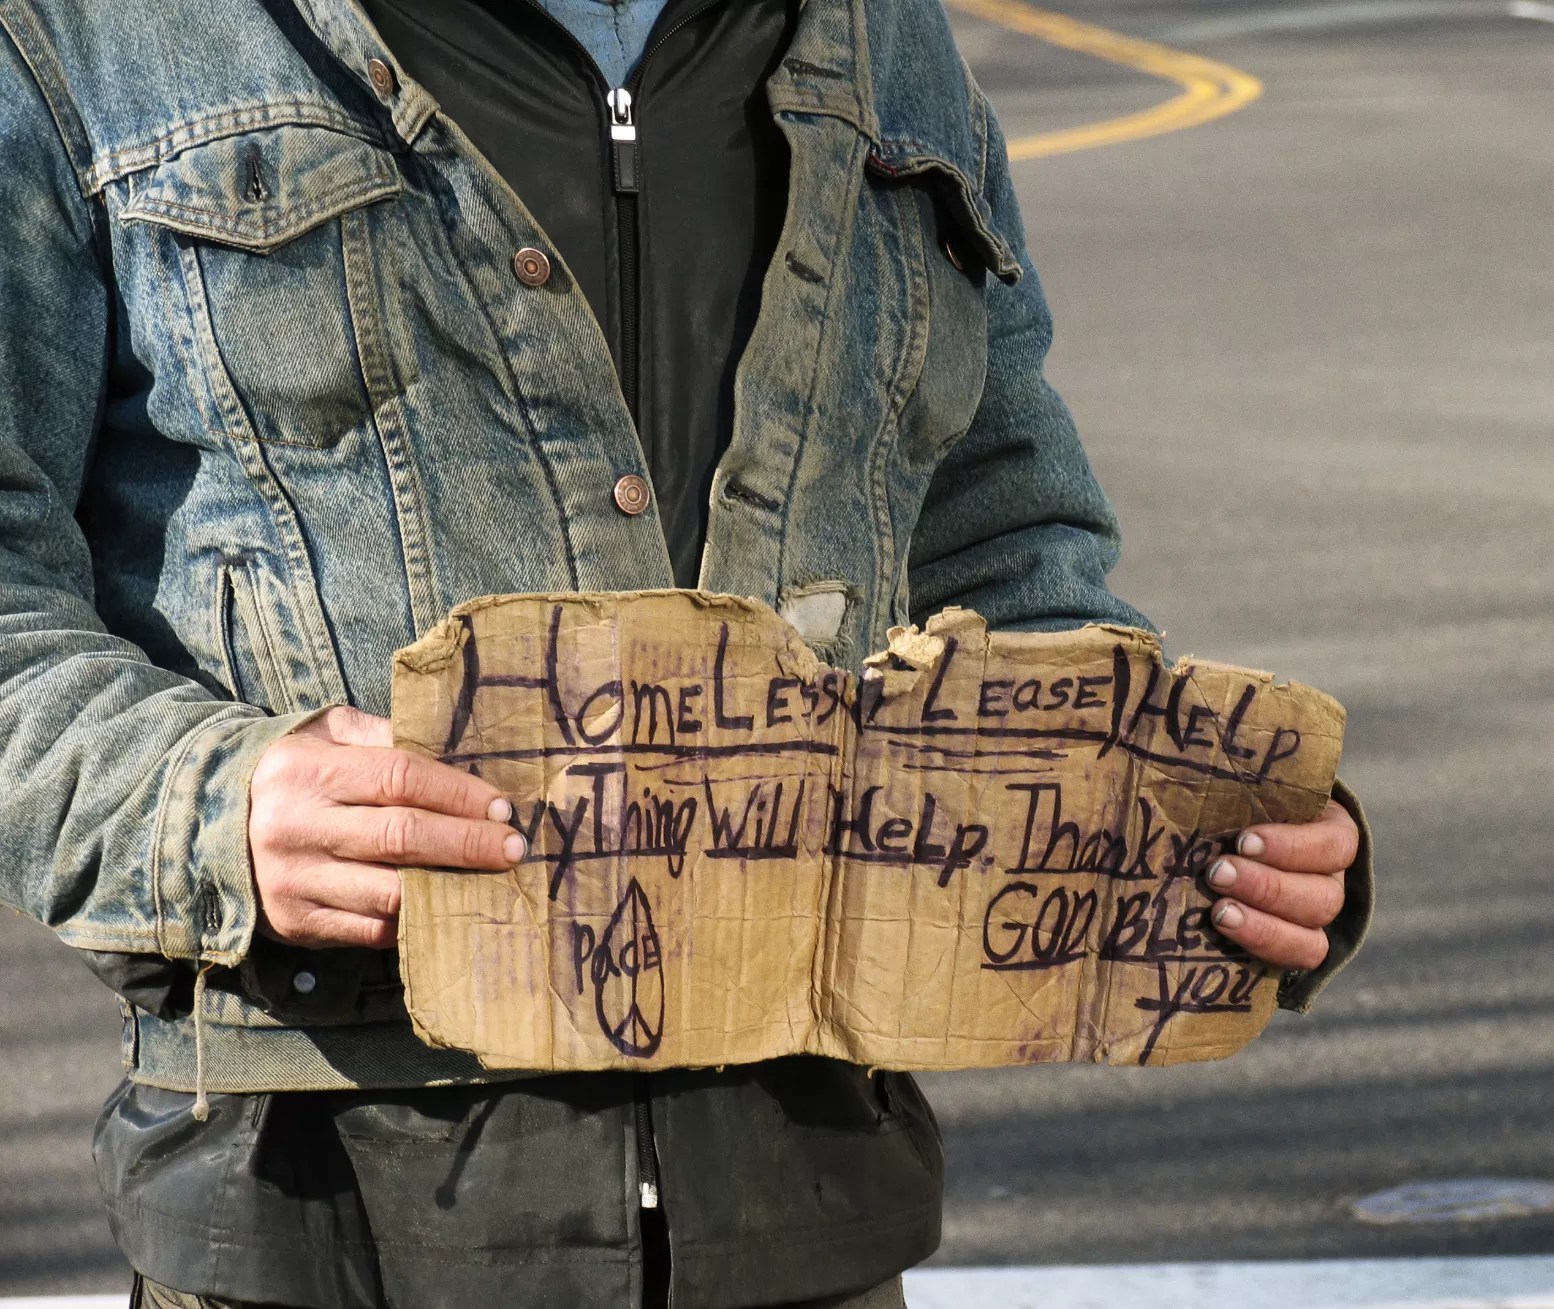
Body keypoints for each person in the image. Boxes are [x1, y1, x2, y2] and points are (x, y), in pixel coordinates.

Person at [0, 0, 1373, 1305]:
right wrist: (213, 806)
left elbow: (998, 554)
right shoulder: (90, 34)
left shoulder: (881, 40)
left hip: (802, 1207)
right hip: (323, 1212)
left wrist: (1216, 829)